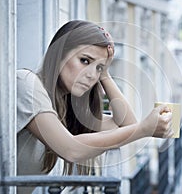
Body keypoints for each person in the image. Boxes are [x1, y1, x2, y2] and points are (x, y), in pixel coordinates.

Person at [17, 20, 173, 193]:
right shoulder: (26, 84)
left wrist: (105, 75)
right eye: (84, 60)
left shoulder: (64, 108)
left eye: (98, 68)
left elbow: (127, 124)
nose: (92, 75)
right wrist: (144, 129)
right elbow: (71, 149)